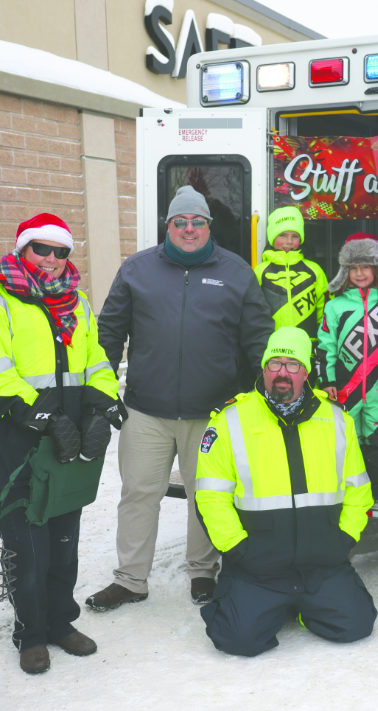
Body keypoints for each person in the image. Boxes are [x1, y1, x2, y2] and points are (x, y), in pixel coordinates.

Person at [88, 186, 274, 611]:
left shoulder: (236, 271)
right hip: (145, 410)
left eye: (197, 221)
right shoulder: (136, 270)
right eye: (180, 221)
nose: (189, 229)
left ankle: (203, 572)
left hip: (213, 411)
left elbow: (258, 337)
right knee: (138, 494)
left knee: (206, 494)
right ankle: (130, 579)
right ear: (168, 225)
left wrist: (265, 391)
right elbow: (109, 332)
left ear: (208, 225)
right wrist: (100, 391)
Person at [0, 213, 120, 674]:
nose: (50, 258)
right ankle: (30, 633)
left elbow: (96, 360)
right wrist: (46, 417)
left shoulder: (77, 303)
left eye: (60, 251)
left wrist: (101, 407)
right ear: (22, 249)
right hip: (16, 443)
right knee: (27, 545)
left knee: (64, 539)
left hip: (68, 444)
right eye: (41, 248)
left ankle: (60, 622)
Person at [196, 327, 377, 656]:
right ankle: (274, 604)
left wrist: (344, 540)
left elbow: (358, 489)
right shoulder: (228, 420)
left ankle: (300, 608)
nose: (282, 372)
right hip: (258, 567)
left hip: (321, 564)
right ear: (263, 368)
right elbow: (211, 497)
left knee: (356, 625)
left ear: (305, 372)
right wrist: (239, 549)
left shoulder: (337, 419)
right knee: (238, 640)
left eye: (293, 364)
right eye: (274, 363)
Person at [318, 233, 378, 501]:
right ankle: (349, 486)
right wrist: (327, 381)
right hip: (345, 389)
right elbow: (325, 346)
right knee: (346, 437)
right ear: (344, 271)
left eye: (366, 266)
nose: (360, 273)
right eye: (353, 268)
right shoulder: (334, 306)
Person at [254, 206, 329, 344]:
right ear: (272, 237)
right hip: (272, 345)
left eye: (295, 236)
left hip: (307, 344)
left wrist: (321, 342)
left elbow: (324, 310)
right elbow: (253, 312)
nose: (289, 241)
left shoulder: (314, 270)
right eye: (282, 235)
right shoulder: (260, 271)